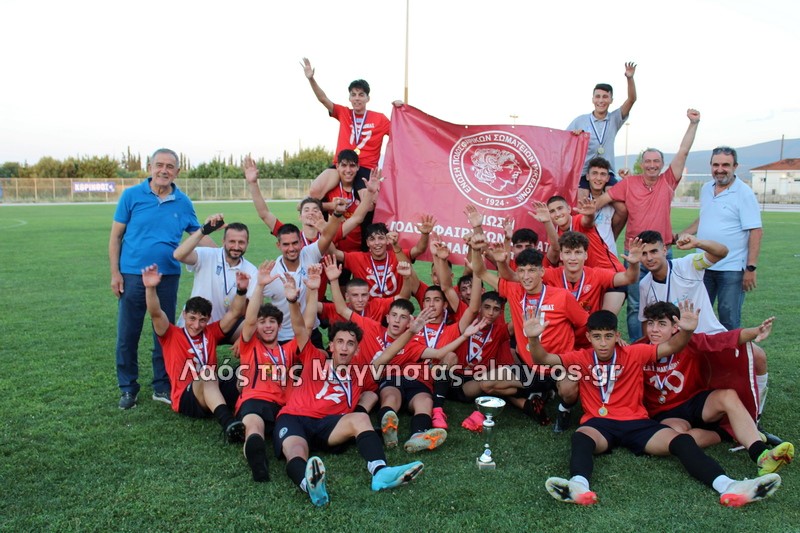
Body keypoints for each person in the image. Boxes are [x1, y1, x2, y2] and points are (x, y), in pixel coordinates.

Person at [525, 304, 782, 507]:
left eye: (608, 336)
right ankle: (579, 485)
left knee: (681, 441)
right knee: (581, 437)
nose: (603, 343)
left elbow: (672, 345)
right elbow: (543, 358)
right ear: (588, 337)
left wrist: (686, 331)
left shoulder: (635, 353)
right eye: (597, 337)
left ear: (617, 336)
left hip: (637, 423)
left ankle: (729, 485)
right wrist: (534, 338)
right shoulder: (580, 358)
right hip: (599, 425)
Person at [636, 230, 778, 443]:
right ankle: (708, 422)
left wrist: (698, 242)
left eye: (654, 251)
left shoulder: (687, 265)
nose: (649, 258)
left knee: (757, 356)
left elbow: (722, 252)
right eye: (644, 253)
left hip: (709, 337)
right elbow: (646, 321)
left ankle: (755, 419)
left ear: (665, 250)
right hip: (680, 345)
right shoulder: (644, 285)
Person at [273, 317, 428, 506]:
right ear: (331, 346)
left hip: (329, 425)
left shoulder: (360, 373)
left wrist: (411, 332)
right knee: (296, 450)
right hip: (294, 418)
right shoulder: (314, 359)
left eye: (350, 343)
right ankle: (310, 485)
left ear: (357, 350)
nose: (344, 347)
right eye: (340, 342)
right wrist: (292, 303)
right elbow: (299, 327)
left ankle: (380, 472)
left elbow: (388, 354)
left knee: (360, 418)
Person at [641, 302, 794, 475]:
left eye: (662, 324)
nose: (654, 329)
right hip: (667, 413)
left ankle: (760, 454)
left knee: (728, 396)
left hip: (694, 402)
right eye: (650, 323)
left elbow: (722, 340)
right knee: (677, 437)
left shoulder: (689, 341)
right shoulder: (639, 349)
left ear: (675, 327)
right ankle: (726, 434)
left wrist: (756, 331)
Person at [109, 148, 208, 409]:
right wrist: (115, 273)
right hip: (132, 276)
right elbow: (116, 236)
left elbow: (197, 235)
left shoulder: (183, 202)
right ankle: (128, 388)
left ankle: (162, 385)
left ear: (177, 171)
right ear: (150, 167)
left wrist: (226, 253)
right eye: (159, 165)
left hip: (167, 276)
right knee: (128, 334)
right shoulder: (131, 196)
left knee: (162, 333)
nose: (164, 170)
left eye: (170, 166)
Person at [593, 109, 702, 340]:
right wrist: (584, 214)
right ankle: (638, 348)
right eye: (648, 161)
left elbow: (683, 151)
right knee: (636, 305)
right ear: (641, 164)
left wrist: (693, 123)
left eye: (656, 161)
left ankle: (667, 347)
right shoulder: (629, 183)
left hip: (662, 252)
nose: (652, 165)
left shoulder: (668, 181)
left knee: (667, 303)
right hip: (635, 254)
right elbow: (604, 199)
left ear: (662, 164)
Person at [236, 260, 321, 482]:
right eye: (262, 322)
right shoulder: (250, 346)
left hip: (284, 407)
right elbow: (249, 320)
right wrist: (260, 286)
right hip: (255, 399)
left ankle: (289, 461)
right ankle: (258, 464)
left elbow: (306, 327)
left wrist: (312, 291)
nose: (267, 326)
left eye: (272, 321)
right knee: (254, 426)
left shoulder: (289, 349)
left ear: (279, 325)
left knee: (287, 438)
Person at [143, 264, 246, 443]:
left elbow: (235, 313)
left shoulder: (211, 332)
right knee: (207, 374)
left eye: (202, 320)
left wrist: (241, 290)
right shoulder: (171, 334)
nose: (196, 325)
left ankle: (253, 409)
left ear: (208, 319)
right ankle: (228, 423)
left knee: (247, 371)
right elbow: (155, 313)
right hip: (187, 397)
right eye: (192, 318)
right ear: (184, 315)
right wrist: (150, 288)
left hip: (213, 388)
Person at [679, 146, 763, 330]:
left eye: (725, 165)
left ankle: (731, 350)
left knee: (728, 317)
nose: (720, 169)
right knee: (698, 315)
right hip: (703, 264)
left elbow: (755, 231)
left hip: (731, 268)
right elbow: (704, 219)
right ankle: (701, 350)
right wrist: (681, 235)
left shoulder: (744, 193)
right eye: (715, 165)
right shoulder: (706, 189)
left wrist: (751, 268)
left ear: (735, 166)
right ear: (710, 165)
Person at [300, 57, 392, 204]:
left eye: (361, 95)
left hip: (365, 167)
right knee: (315, 191)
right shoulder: (344, 113)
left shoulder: (380, 119)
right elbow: (323, 99)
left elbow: (400, 132)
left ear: (368, 98)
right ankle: (323, 217)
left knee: (369, 202)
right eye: (353, 95)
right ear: (349, 98)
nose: (357, 98)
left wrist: (401, 109)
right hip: (342, 164)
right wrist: (311, 79)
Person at [173, 214, 258, 342]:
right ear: (223, 241)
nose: (236, 247)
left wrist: (245, 337)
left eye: (241, 242)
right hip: (199, 322)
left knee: (258, 329)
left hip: (228, 325)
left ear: (247, 244)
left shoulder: (251, 270)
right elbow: (178, 255)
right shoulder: (207, 254)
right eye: (232, 241)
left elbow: (254, 308)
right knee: (187, 352)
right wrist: (202, 231)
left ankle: (246, 351)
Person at [567, 62, 637, 193]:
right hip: (584, 172)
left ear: (611, 100)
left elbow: (631, 99)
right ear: (592, 99)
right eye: (598, 96)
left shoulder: (614, 119)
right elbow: (565, 143)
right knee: (582, 200)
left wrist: (630, 78)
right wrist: (574, 137)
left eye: (605, 97)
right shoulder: (580, 120)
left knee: (616, 200)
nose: (601, 100)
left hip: (607, 172)